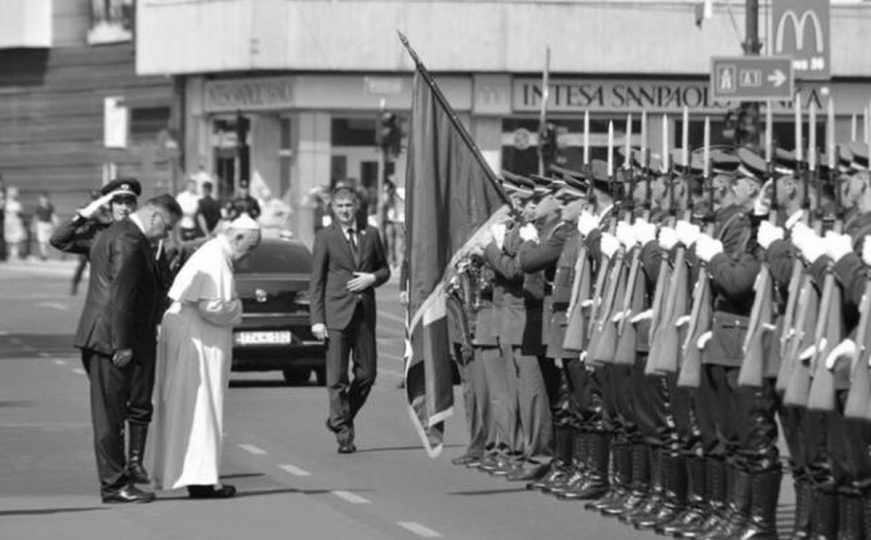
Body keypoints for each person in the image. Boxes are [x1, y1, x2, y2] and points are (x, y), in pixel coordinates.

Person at [73, 194, 181, 504]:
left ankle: (118, 479)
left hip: (101, 336)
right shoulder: (130, 241)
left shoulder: (114, 232)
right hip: (111, 340)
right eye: (167, 226)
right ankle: (114, 485)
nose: (166, 234)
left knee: (112, 412)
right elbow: (122, 296)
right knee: (109, 417)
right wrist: (122, 344)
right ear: (155, 217)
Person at [149, 215, 261, 499]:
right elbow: (211, 306)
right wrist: (238, 308)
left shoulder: (214, 252)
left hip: (192, 335)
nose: (248, 255)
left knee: (190, 407)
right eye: (250, 247)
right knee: (200, 407)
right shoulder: (215, 256)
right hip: (196, 339)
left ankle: (193, 476)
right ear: (238, 237)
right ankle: (200, 481)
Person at [309, 183, 390, 453]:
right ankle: (344, 436)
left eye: (348, 206)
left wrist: (372, 278)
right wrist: (317, 319)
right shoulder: (325, 237)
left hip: (364, 315)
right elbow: (317, 281)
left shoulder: (371, 233)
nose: (345, 211)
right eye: (340, 206)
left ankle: (339, 418)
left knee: (367, 374)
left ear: (356, 206)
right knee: (337, 378)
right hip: (335, 315)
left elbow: (384, 269)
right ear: (332, 208)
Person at [51, 179, 140, 296]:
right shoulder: (97, 233)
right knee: (81, 266)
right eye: (119, 202)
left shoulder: (144, 234)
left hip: (134, 301)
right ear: (110, 204)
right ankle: (75, 284)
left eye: (128, 203)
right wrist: (82, 216)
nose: (124, 207)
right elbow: (58, 240)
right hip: (103, 302)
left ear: (135, 206)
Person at [33, 192, 58, 261]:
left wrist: (56, 223)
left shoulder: (50, 207)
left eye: (45, 199)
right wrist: (33, 225)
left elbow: (53, 216)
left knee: (48, 241)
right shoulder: (38, 208)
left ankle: (46, 254)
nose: (44, 200)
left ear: (48, 199)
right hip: (41, 224)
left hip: (48, 225)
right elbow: (36, 217)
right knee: (41, 240)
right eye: (42, 199)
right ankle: (43, 255)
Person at [4, 185, 24, 260]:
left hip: (15, 223)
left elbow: (20, 214)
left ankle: (14, 255)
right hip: (9, 223)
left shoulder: (17, 203)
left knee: (15, 240)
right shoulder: (6, 203)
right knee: (9, 240)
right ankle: (8, 254)